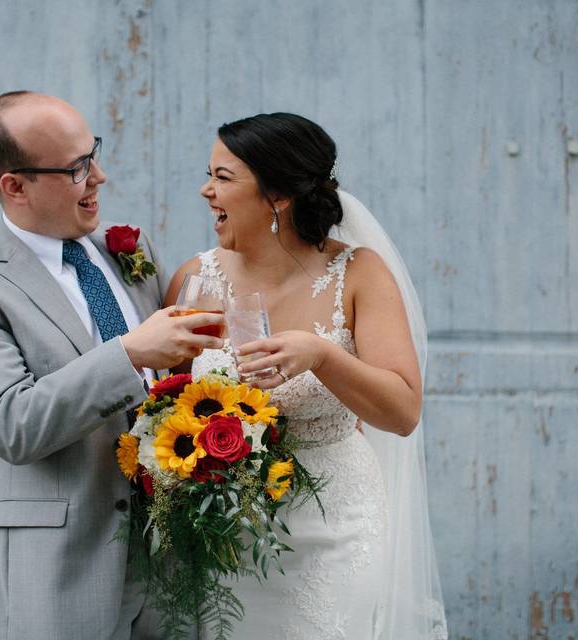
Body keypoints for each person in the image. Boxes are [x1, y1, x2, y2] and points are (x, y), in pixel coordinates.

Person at [0, 91, 223, 640]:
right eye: (76, 168)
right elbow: (10, 426)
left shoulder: (129, 250)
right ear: (14, 186)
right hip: (65, 567)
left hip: (172, 559)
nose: (100, 176)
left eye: (94, 154)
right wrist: (130, 353)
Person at [165, 113, 448, 639]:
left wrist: (323, 355)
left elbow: (404, 412)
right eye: (209, 174)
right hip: (226, 533)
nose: (206, 190)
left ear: (277, 196)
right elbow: (168, 406)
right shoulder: (193, 281)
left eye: (223, 178)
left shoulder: (359, 274)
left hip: (334, 529)